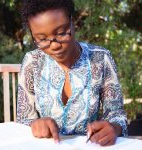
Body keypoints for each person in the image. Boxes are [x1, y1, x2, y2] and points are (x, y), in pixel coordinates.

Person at [17, 0, 127, 146]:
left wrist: (113, 128)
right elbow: (23, 120)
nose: (55, 45)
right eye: (42, 39)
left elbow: (117, 116)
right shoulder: (32, 62)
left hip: (90, 146)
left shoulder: (101, 58)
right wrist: (36, 124)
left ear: (72, 23)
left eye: (62, 33)